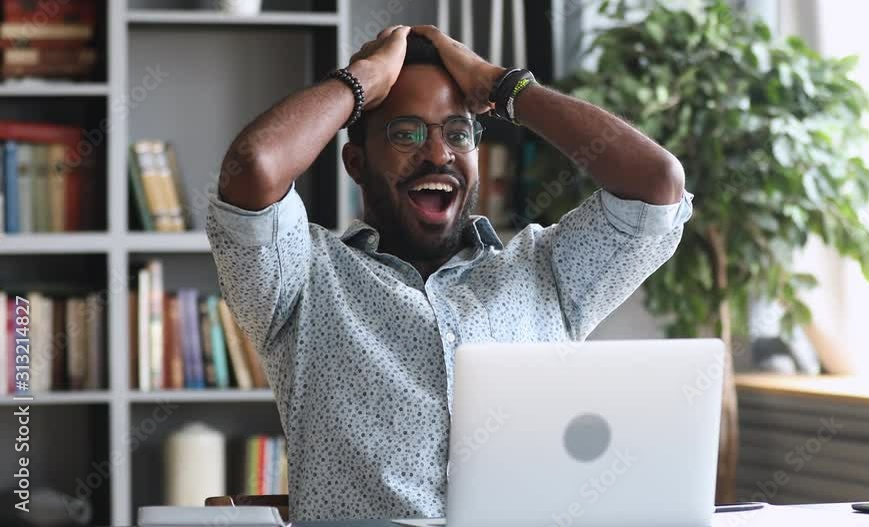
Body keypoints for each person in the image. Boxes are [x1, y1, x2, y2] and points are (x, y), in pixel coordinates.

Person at [207, 25, 694, 521]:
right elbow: (253, 166)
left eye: (458, 134)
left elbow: (657, 184)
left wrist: (508, 89)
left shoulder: (548, 272)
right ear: (355, 162)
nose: (438, 154)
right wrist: (361, 83)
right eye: (405, 132)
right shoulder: (304, 279)